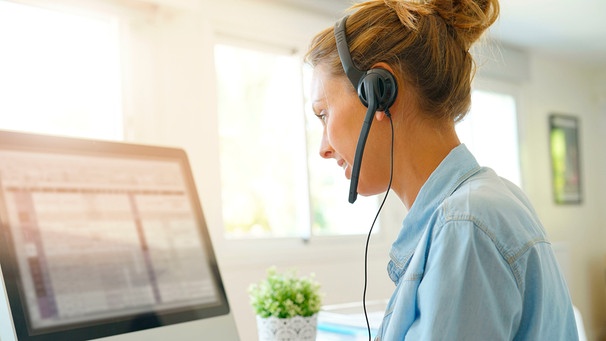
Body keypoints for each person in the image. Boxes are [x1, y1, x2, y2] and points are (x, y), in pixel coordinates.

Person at [305, 0, 579, 339]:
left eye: (323, 114)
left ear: (378, 92)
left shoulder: (466, 225)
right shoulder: (482, 205)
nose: (323, 149)